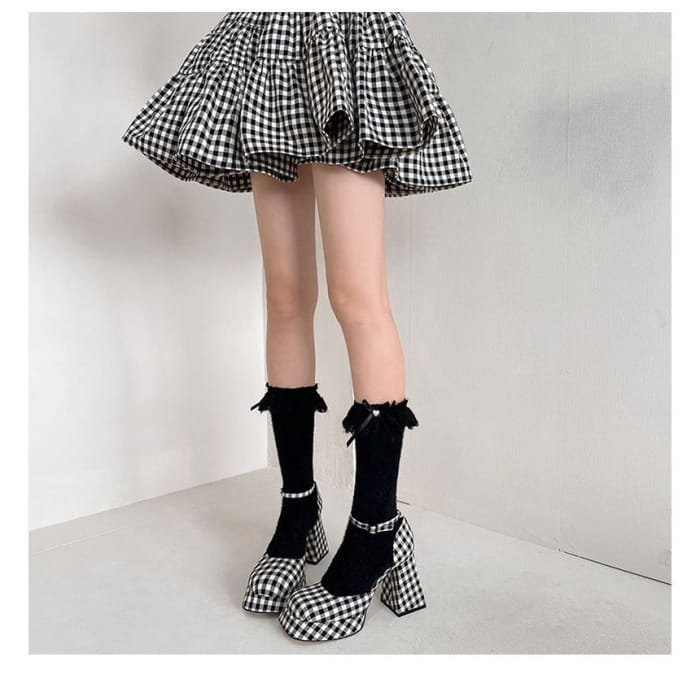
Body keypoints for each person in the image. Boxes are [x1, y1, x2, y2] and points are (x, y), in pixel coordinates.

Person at [121, 11, 473, 643]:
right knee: (285, 296)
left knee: (357, 297)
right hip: (268, 41)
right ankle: (299, 509)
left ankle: (376, 530)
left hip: (346, 41)